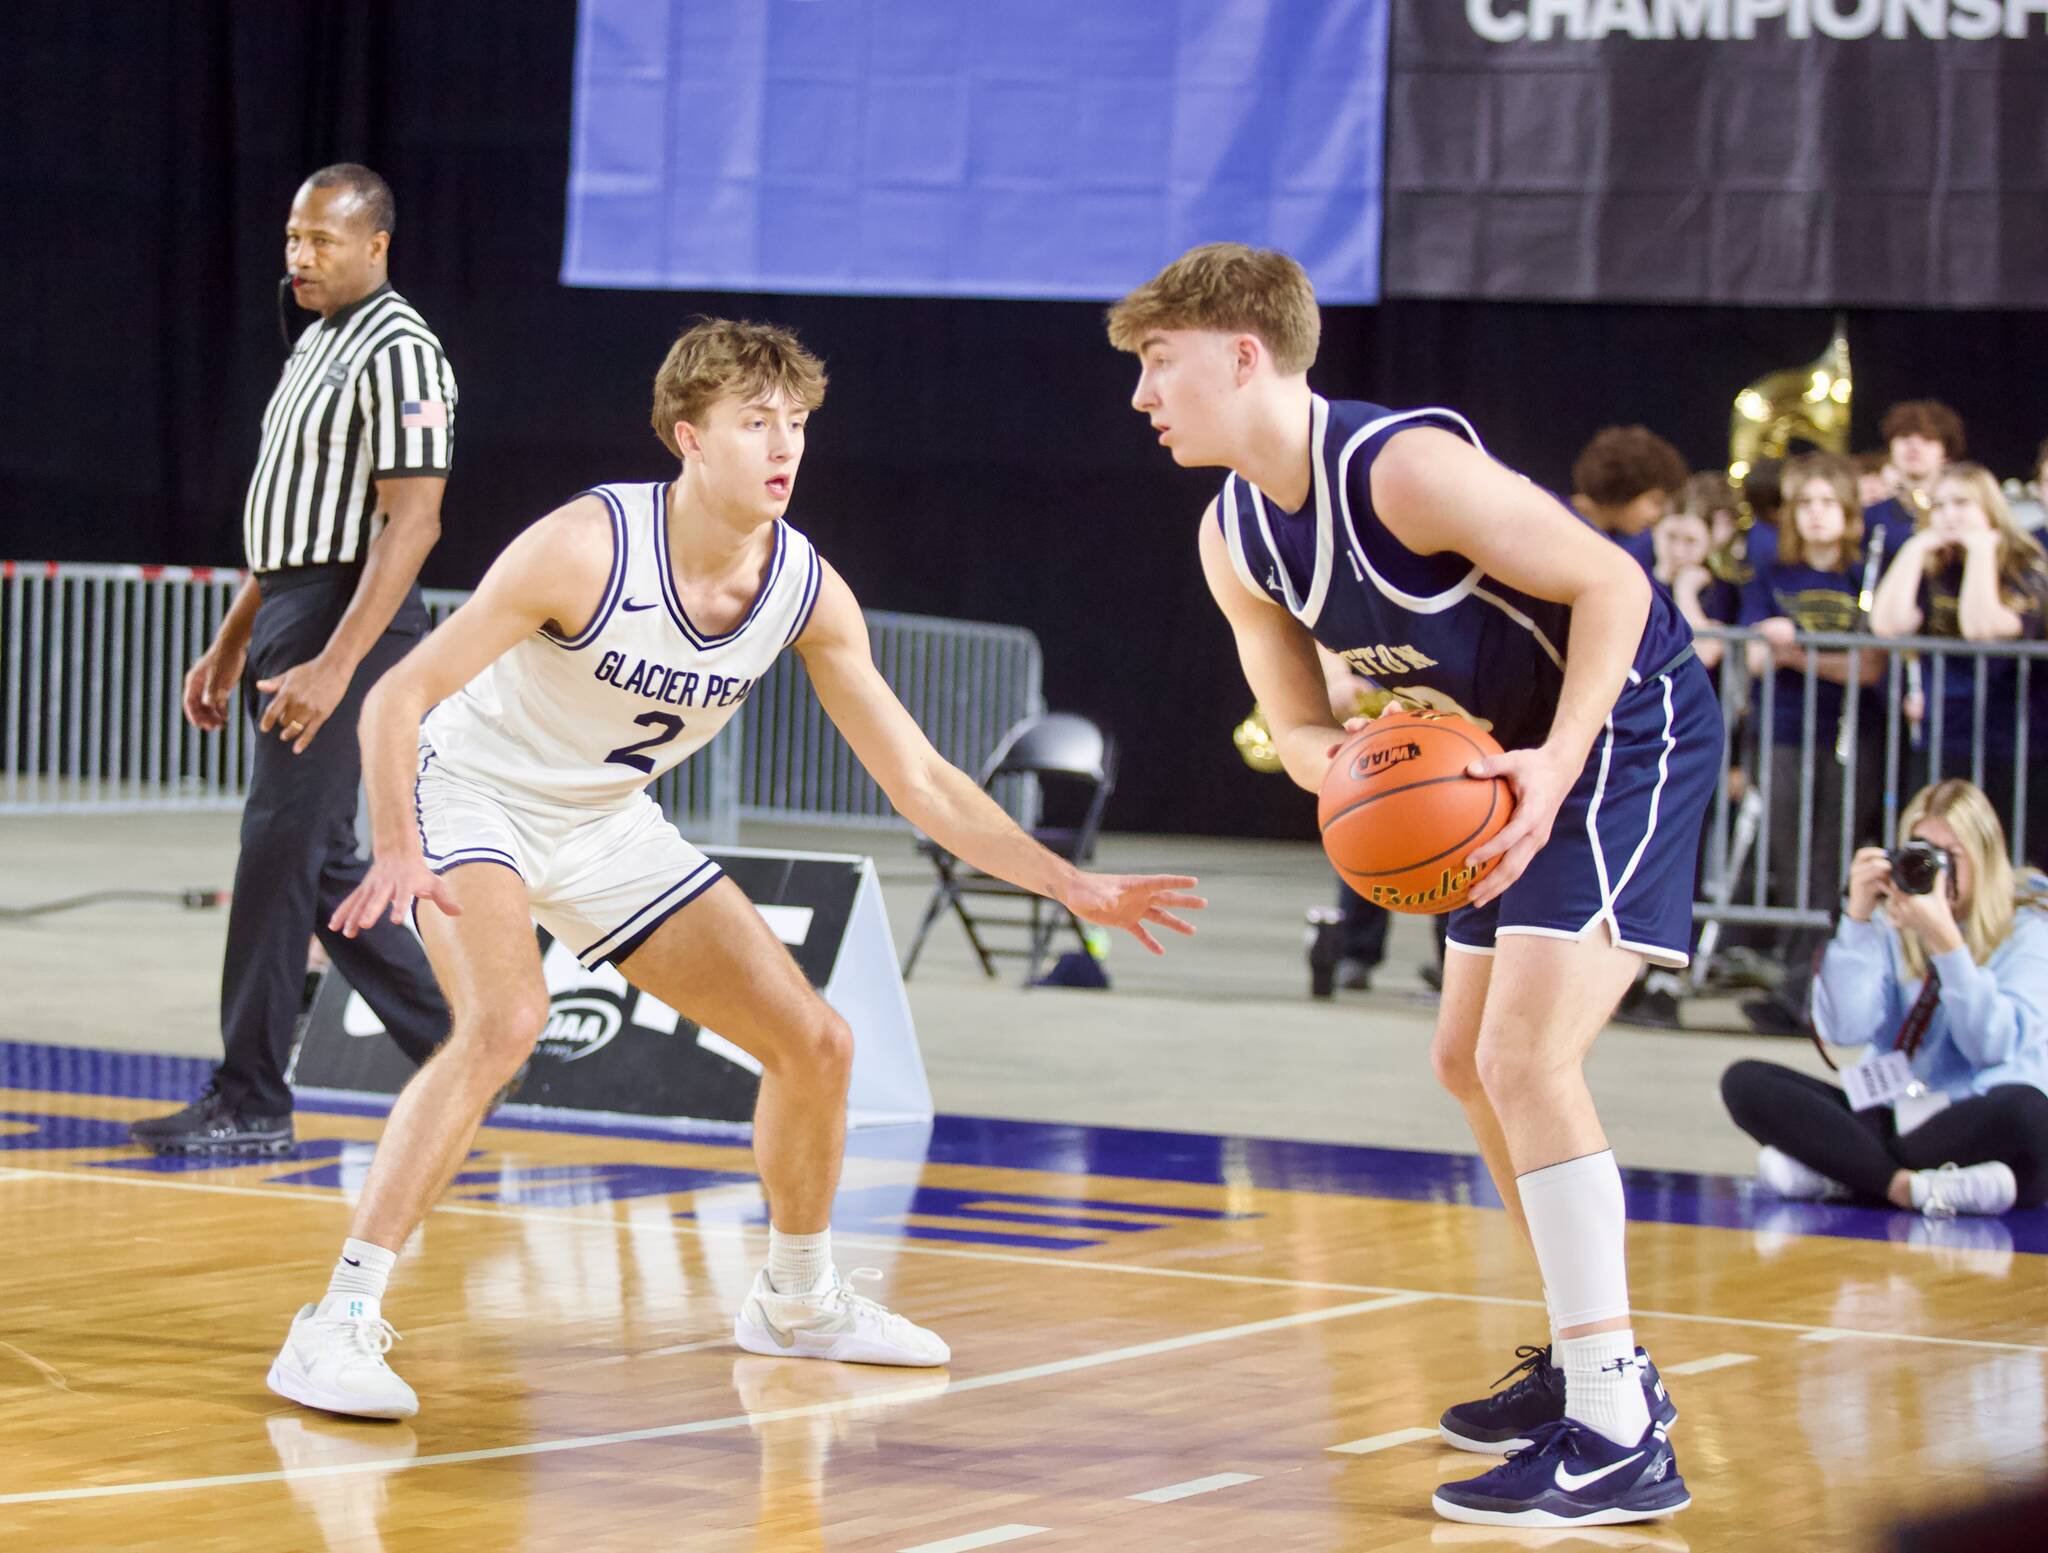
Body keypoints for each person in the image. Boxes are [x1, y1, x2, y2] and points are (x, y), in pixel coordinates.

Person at [265, 318, 1204, 1420]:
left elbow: (920, 779)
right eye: (754, 421)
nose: (783, 444)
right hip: (472, 789)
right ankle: (334, 1320)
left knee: (816, 1040)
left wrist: (1067, 881)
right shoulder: (586, 545)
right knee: (506, 1020)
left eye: (796, 422)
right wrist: (396, 842)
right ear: (687, 437)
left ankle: (798, 1299)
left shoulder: (804, 587)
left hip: (606, 819)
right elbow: (396, 694)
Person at [1109, 243, 1714, 1528]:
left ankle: (1615, 1426)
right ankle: (1585, 1349)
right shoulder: (1232, 537)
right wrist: (1364, 767)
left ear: (1240, 353)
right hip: (1497, 758)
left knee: (1525, 1056)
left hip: (1619, 729)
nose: (1139, 397)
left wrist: (1551, 770)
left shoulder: (1399, 468)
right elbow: (1300, 734)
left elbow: (1613, 581)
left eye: (1157, 364)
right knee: (1464, 1057)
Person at [131, 165, 452, 1156]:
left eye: (321, 240)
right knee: (315, 865)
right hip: (294, 606)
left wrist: (333, 663)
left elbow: (411, 524)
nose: (300, 257)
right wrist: (229, 643)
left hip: (346, 615)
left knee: (277, 851)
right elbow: (287, 528)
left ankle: (252, 1097)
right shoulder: (315, 341)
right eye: (291, 239)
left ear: (376, 246)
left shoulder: (404, 352)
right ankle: (467, 1039)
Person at [1721, 780, 2048, 1216]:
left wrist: (1947, 944)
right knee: (1745, 1081)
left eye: (1950, 856)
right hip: (1899, 1114)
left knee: (2028, 1113)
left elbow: (1991, 1048)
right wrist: (1857, 919)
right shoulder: (1891, 919)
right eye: (1921, 852)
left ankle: (1842, 1173)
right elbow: (1846, 1029)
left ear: (1986, 856)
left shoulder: (2028, 923)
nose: (1934, 870)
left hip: (1981, 1116)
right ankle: (1908, 1187)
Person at [1870, 462, 2048, 843]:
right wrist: (1916, 548)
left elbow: (1982, 628)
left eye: (1961, 503)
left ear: (1989, 506)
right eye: (1939, 505)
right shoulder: (1933, 563)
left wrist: (1984, 552)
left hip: (2015, 741)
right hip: (1943, 735)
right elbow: (1886, 623)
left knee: (2008, 853)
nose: (1948, 515)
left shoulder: (2026, 564)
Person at [1568, 426, 1690, 574]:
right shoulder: (1556, 521)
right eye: (1656, 502)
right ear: (1625, 486)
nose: (1657, 515)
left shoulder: (1613, 541)